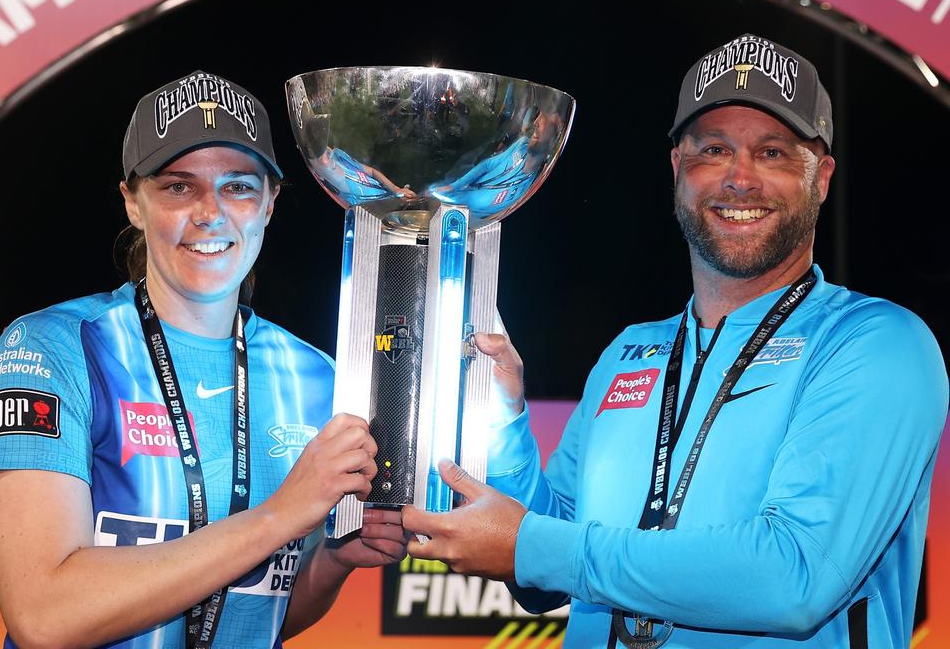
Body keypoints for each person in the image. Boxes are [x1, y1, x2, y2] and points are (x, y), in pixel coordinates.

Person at [402, 34, 949, 648]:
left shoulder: (875, 345)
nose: (740, 179)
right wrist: (503, 421)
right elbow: (542, 575)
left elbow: (794, 577)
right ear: (677, 169)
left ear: (820, 178)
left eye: (772, 152)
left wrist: (537, 547)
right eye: (714, 149)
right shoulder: (631, 353)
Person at [0, 70, 407, 649]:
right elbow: (44, 615)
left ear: (270, 203)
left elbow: (257, 613)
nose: (210, 212)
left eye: (239, 186)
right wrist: (279, 516)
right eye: (178, 186)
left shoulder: (318, 377)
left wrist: (331, 562)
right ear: (133, 203)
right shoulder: (51, 349)